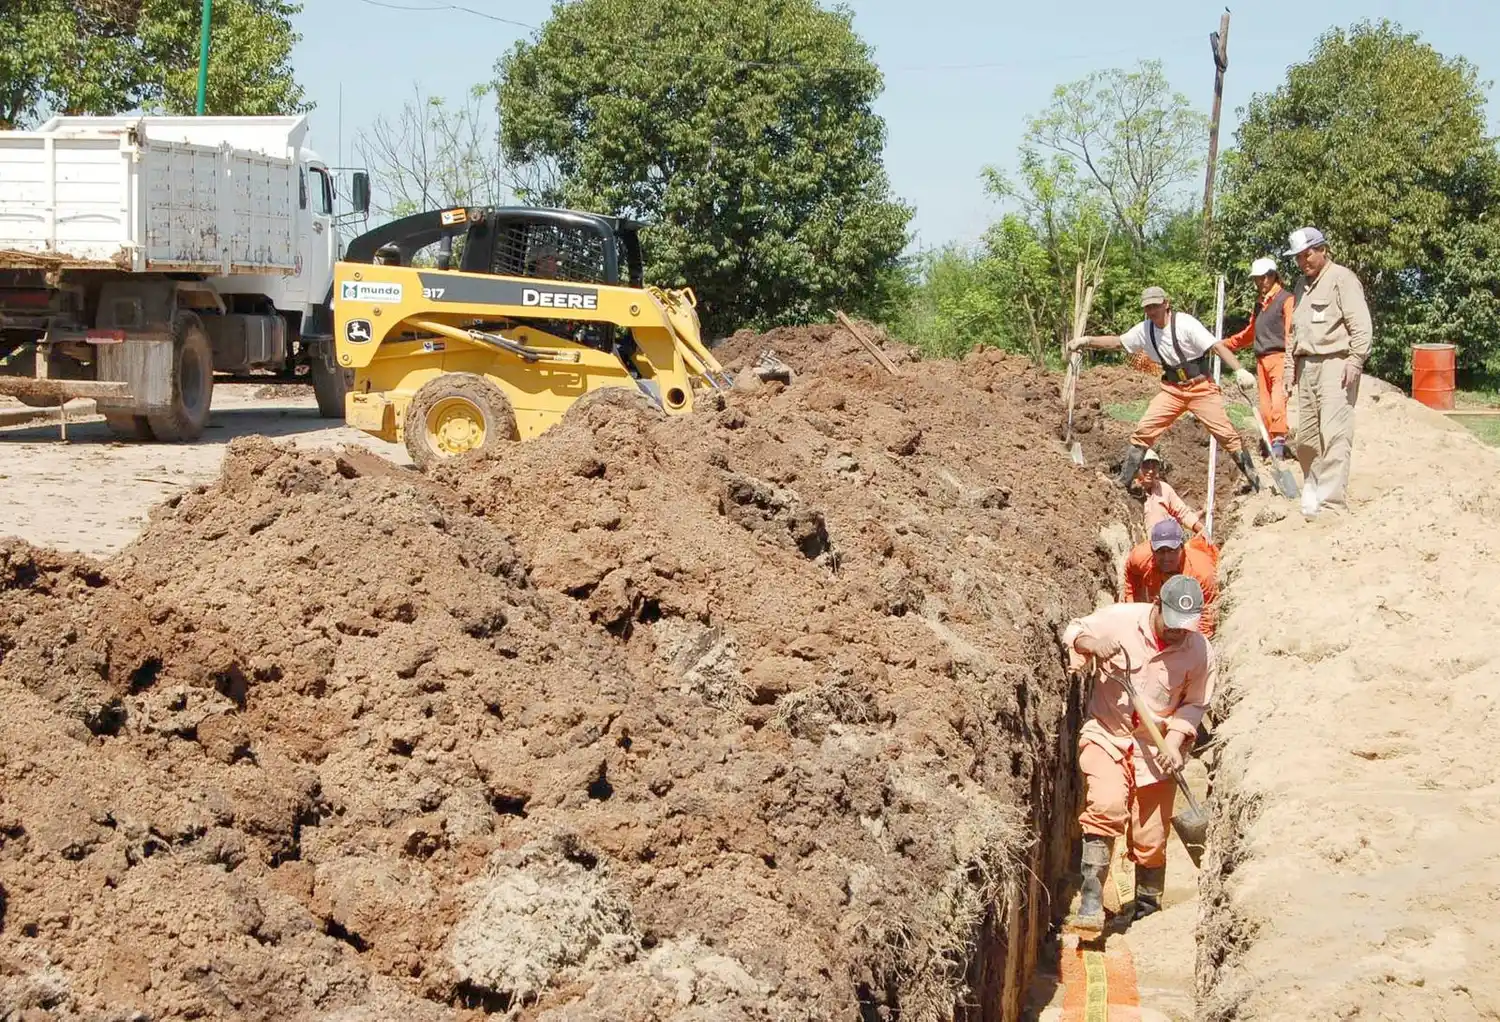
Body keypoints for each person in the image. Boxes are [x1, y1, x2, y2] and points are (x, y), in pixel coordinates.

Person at [1063, 575, 1215, 932]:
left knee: (1151, 839)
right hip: (1108, 734)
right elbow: (1073, 630)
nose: (1177, 632)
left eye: (1184, 626)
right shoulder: (1121, 619)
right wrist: (1092, 644)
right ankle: (1091, 902)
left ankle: (1147, 912)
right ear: (1158, 604)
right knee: (1106, 806)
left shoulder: (1199, 651)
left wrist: (1174, 742)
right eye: (1172, 623)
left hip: (1155, 748)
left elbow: (1195, 703)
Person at [1069, 287, 1261, 494]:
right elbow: (1118, 342)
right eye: (1148, 308)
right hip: (1172, 391)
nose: (1152, 311)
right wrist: (1087, 341)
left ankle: (1255, 481)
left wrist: (1239, 370)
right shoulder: (1145, 330)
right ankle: (1123, 482)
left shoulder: (1186, 324)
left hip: (1201, 389)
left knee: (1227, 436)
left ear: (1166, 304)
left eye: (1155, 306)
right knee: (1144, 431)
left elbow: (1216, 346)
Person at [1282, 228, 1372, 518]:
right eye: (1298, 257)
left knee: (1334, 434)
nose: (1302, 262)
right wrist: (1289, 368)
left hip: (1336, 363)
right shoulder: (1301, 285)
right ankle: (1313, 490)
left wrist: (1355, 360)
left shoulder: (1342, 279)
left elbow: (1361, 325)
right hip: (1306, 366)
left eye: (1307, 255)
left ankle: (1332, 504)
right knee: (1307, 438)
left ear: (1322, 249)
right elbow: (1294, 333)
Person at [1225, 257, 1295, 457]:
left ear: (1273, 276)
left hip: (1280, 358)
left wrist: (1291, 362)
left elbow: (1291, 332)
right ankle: (1271, 444)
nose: (1258, 282)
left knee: (1278, 401)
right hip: (1261, 360)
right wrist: (1225, 344)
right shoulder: (1259, 304)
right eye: (1256, 279)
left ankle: (1279, 442)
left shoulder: (1286, 299)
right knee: (1265, 406)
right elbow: (1250, 333)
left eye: (1262, 278)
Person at [1123, 519, 1218, 637]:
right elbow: (1131, 575)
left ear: (1181, 547)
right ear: (1152, 549)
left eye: (1171, 550)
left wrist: (1191, 644)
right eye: (1160, 551)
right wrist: (1133, 609)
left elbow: (1206, 616)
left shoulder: (1202, 574)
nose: (1166, 558)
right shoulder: (1140, 557)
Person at [1135, 448, 1203, 536]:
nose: (1151, 471)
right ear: (1137, 467)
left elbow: (1183, 513)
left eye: (1154, 466)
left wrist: (1202, 530)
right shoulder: (1128, 493)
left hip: (1165, 542)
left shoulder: (1164, 489)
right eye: (1146, 466)